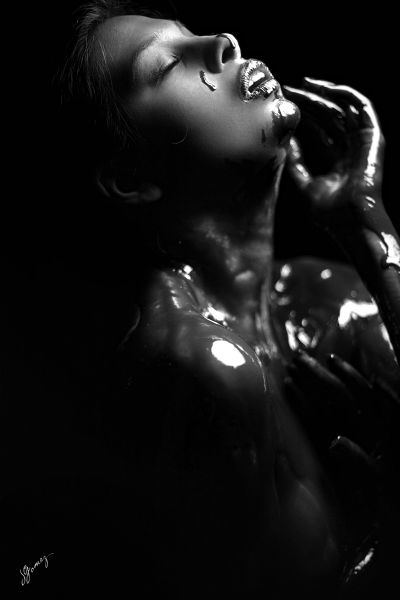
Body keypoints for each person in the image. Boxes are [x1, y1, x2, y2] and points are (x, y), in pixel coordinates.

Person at [52, 0, 400, 597]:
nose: (223, 41)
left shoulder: (326, 295)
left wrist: (367, 228)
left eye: (194, 32)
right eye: (167, 66)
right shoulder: (199, 365)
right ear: (131, 178)